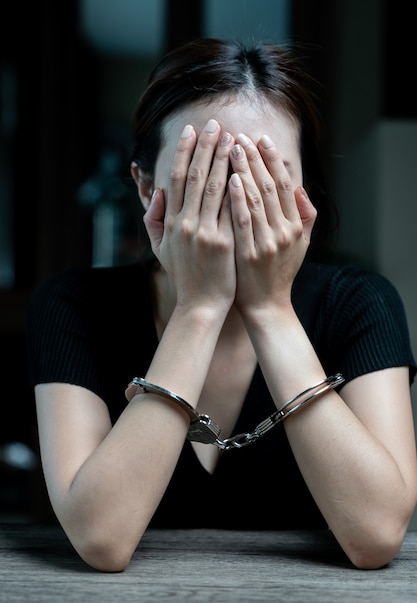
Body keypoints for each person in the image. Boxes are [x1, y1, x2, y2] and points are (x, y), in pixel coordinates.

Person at [27, 37, 417, 573]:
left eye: (265, 175)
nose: (238, 200)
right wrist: (199, 307)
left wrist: (270, 309)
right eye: (205, 172)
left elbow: (376, 536)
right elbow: (101, 537)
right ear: (145, 188)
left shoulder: (360, 301)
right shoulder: (71, 303)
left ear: (303, 190)